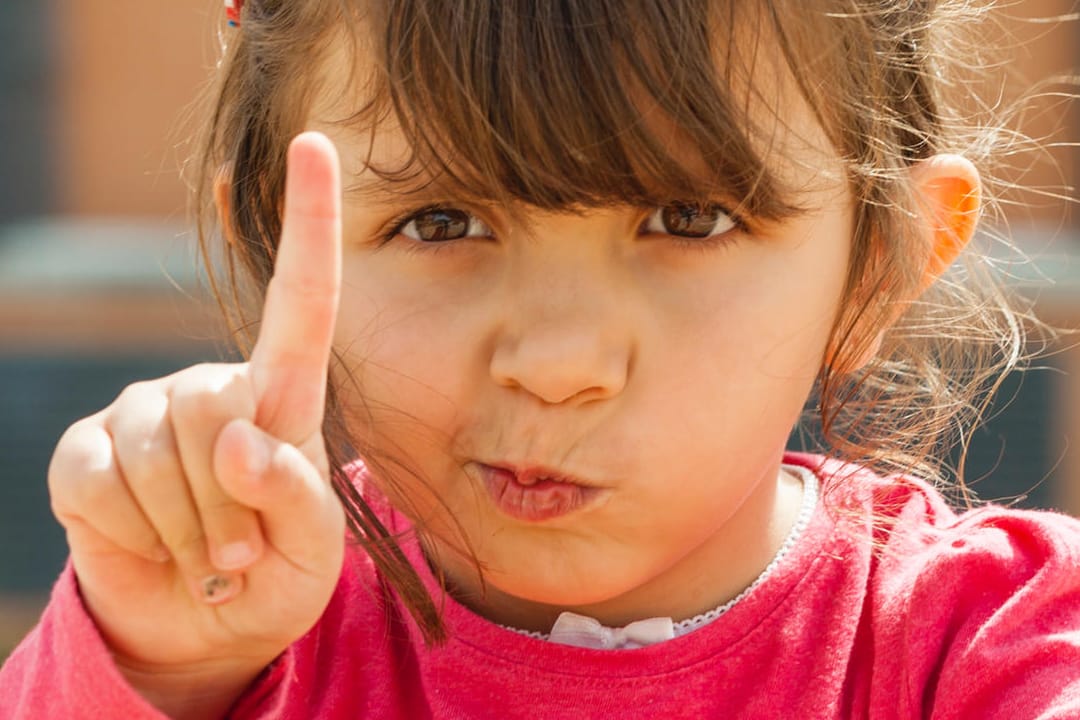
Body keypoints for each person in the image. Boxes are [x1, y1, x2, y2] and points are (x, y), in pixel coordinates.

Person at [2, 0, 1079, 717]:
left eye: (689, 218)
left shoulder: (994, 642)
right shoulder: (231, 637)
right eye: (440, 222)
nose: (559, 363)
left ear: (880, 264)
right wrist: (158, 668)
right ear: (278, 248)